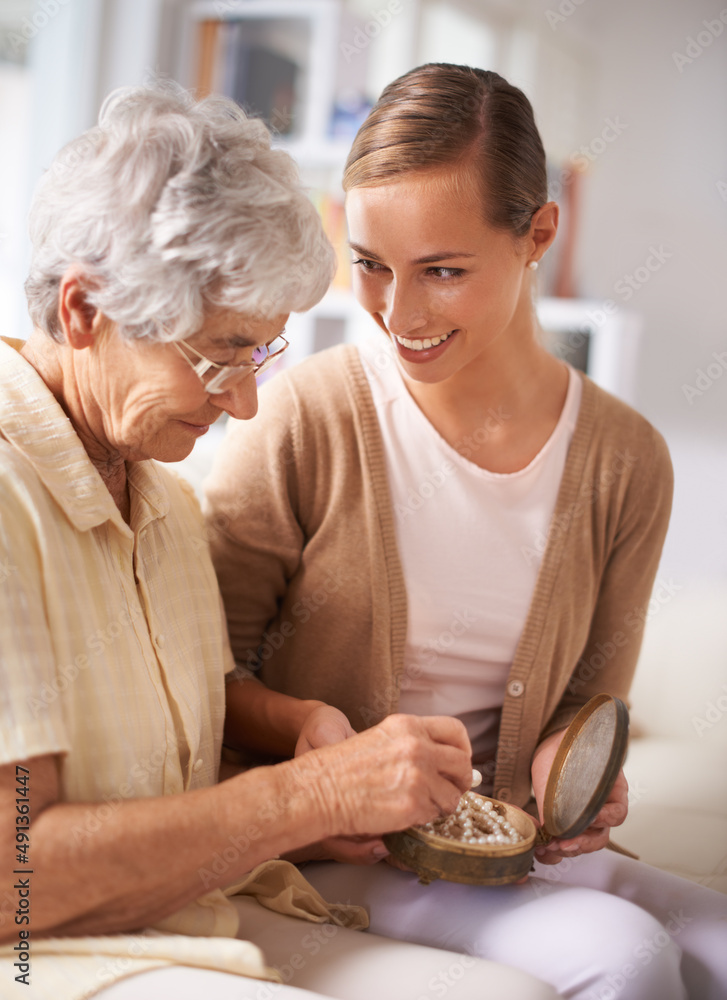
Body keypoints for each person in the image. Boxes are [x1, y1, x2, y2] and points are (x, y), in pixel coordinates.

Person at [0, 82, 563, 1000]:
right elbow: (13, 875)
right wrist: (313, 797)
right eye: (219, 355)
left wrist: (297, 729)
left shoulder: (162, 496)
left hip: (188, 907)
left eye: (260, 356)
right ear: (83, 311)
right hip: (42, 952)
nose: (246, 402)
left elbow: (162, 712)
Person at [204, 64, 727, 1000]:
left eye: (442, 271)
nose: (398, 316)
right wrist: (314, 734)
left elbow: (589, 703)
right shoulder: (302, 423)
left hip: (510, 842)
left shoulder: (625, 461)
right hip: (335, 847)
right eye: (368, 265)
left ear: (537, 235)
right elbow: (201, 680)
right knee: (629, 960)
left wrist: (578, 770)